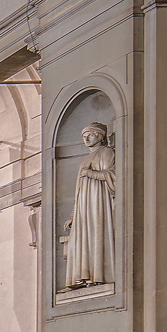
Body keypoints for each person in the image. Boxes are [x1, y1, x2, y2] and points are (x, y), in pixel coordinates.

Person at [62, 123, 115, 289]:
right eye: (83, 136)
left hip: (98, 204)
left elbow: (114, 176)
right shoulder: (85, 159)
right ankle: (84, 276)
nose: (86, 138)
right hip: (84, 208)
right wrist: (72, 216)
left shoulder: (106, 152)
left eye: (90, 134)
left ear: (100, 136)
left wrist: (91, 173)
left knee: (96, 236)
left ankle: (99, 275)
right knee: (82, 239)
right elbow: (78, 193)